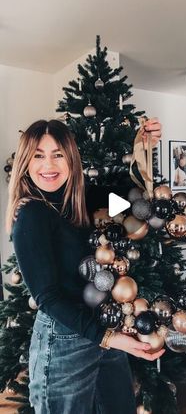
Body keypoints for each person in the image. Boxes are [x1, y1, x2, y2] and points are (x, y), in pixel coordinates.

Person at [6, 118, 164, 414]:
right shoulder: (32, 216)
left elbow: (133, 201)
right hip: (64, 337)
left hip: (103, 325)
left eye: (58, 154)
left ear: (71, 158)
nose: (48, 165)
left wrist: (145, 148)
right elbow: (48, 298)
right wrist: (110, 337)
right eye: (38, 155)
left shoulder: (82, 199)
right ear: (26, 162)